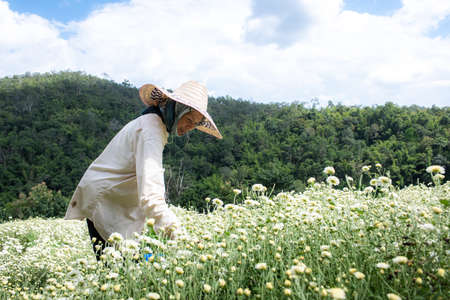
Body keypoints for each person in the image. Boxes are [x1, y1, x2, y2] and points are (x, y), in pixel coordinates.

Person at [64, 81, 222, 260]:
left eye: (194, 124)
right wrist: (179, 234)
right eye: (188, 120)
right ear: (177, 109)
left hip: (115, 200)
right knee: (128, 267)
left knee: (137, 260)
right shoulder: (151, 132)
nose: (189, 128)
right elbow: (151, 194)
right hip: (107, 201)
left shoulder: (154, 125)